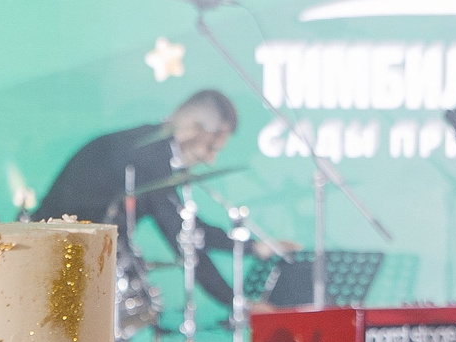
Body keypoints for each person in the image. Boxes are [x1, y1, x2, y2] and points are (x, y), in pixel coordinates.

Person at [34, 89, 278, 304]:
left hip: (69, 258)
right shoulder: (148, 156)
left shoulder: (148, 147)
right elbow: (183, 237)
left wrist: (252, 248)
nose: (210, 160)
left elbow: (188, 227)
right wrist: (236, 303)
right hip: (53, 262)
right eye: (210, 148)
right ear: (191, 128)